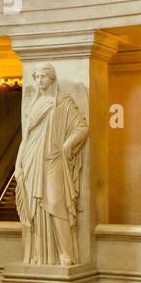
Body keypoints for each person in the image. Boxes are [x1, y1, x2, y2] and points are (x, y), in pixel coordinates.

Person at [14, 64, 88, 266]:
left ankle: (65, 253)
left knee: (56, 204)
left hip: (53, 158)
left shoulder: (63, 102)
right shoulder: (35, 104)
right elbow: (26, 137)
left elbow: (82, 127)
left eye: (43, 77)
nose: (39, 81)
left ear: (51, 78)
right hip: (31, 159)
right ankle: (41, 254)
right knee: (35, 209)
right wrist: (18, 164)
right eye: (36, 77)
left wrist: (68, 143)